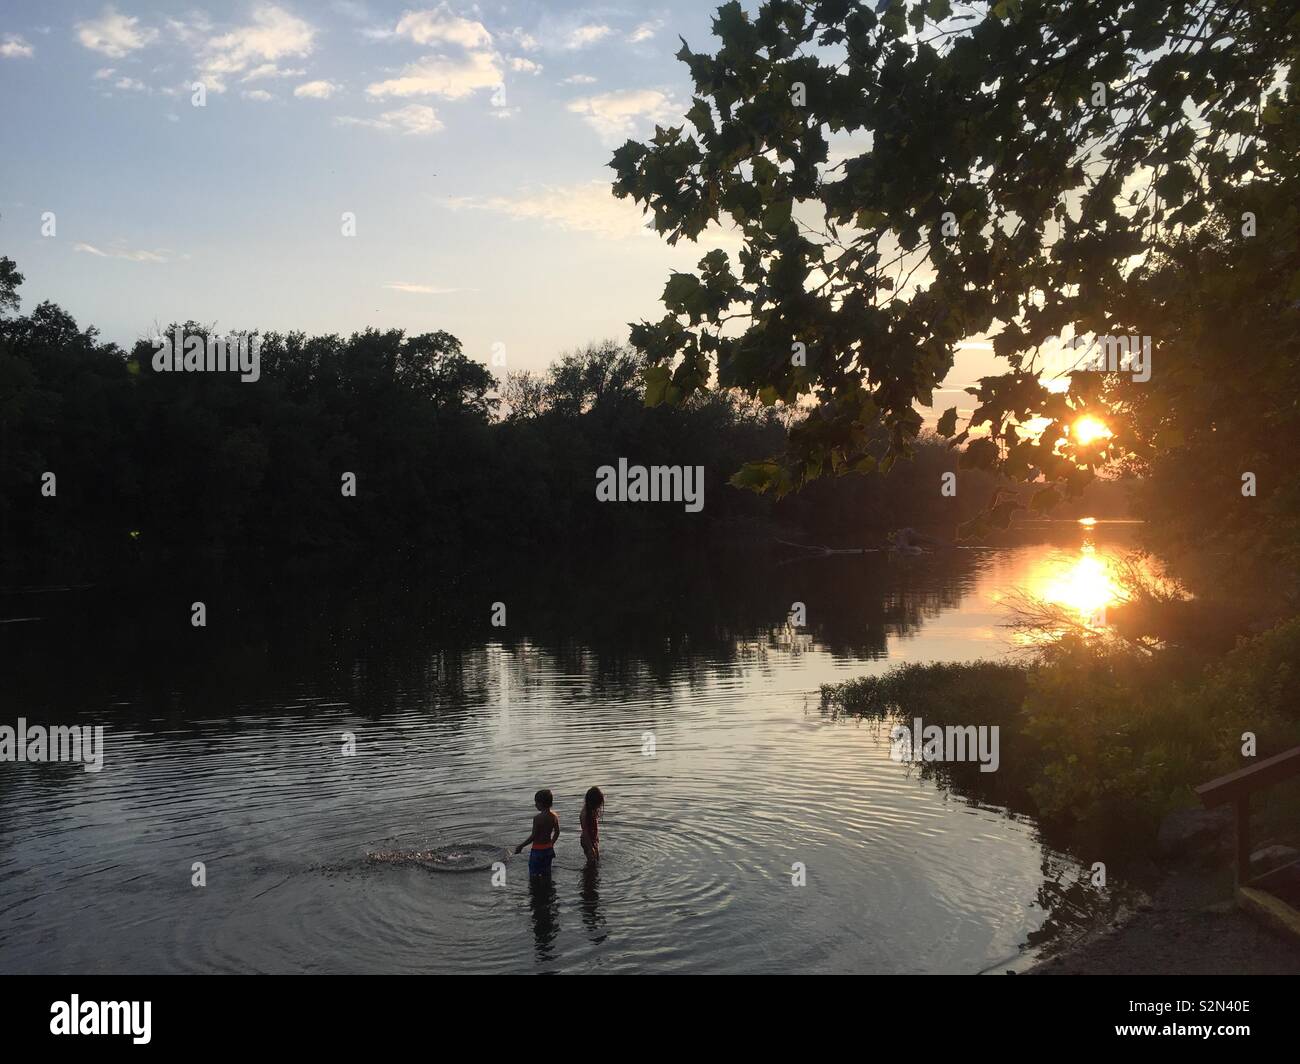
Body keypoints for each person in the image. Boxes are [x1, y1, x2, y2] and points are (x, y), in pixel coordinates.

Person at [515, 789, 560, 878]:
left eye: (536, 802)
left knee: (534, 874)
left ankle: (535, 890)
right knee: (547, 873)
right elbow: (557, 832)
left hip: (537, 851)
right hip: (549, 850)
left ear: (541, 803)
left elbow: (533, 836)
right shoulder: (554, 816)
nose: (535, 804)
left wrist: (521, 846)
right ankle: (547, 889)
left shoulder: (537, 818)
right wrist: (552, 843)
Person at [579, 786, 604, 864]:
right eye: (597, 805)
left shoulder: (592, 809)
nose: (598, 807)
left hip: (593, 839)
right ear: (591, 802)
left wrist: (596, 838)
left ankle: (592, 875)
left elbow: (594, 825)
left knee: (597, 860)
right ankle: (587, 874)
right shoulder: (584, 814)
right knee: (592, 862)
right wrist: (590, 847)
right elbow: (585, 832)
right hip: (586, 841)